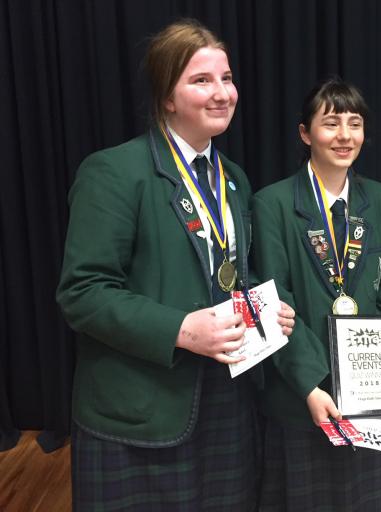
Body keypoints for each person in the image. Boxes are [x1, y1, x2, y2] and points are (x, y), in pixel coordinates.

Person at [56, 19, 294, 511]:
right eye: (201, 80)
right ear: (167, 96)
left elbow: (226, 275)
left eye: (226, 78)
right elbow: (82, 294)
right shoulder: (114, 172)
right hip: (141, 412)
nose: (222, 93)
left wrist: (263, 311)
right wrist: (182, 329)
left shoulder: (234, 180)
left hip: (226, 403)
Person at [251, 77, 381, 511]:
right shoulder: (271, 203)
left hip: (372, 387)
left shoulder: (380, 201)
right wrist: (309, 384)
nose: (345, 135)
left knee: (370, 499)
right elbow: (274, 302)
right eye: (331, 123)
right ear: (305, 133)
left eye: (355, 123)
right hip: (301, 391)